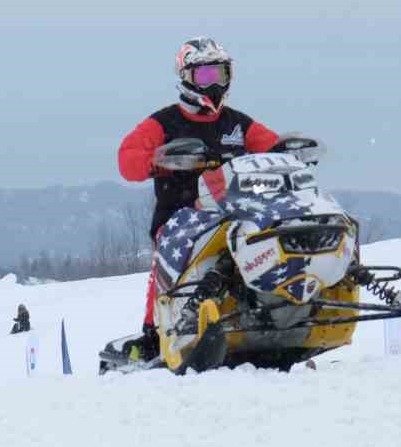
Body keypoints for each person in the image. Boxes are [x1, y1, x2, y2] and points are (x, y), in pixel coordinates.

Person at [117, 37, 281, 359]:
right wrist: (157, 160)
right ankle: (154, 331)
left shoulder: (235, 122)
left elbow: (269, 144)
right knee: (169, 254)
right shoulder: (165, 122)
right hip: (181, 214)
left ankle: (279, 306)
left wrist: (286, 154)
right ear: (186, 77)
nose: (214, 82)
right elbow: (127, 157)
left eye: (220, 73)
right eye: (205, 76)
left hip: (236, 211)